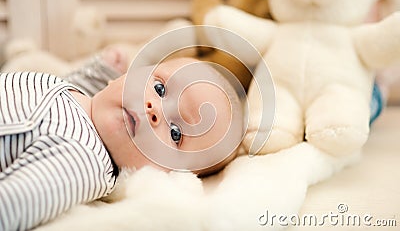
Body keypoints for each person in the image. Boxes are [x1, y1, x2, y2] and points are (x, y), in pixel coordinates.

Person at [0, 57, 243, 231]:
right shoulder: (84, 98)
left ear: (167, 174)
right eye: (159, 88)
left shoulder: (82, 161)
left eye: (176, 133)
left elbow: (13, 205)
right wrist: (101, 69)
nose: (153, 110)